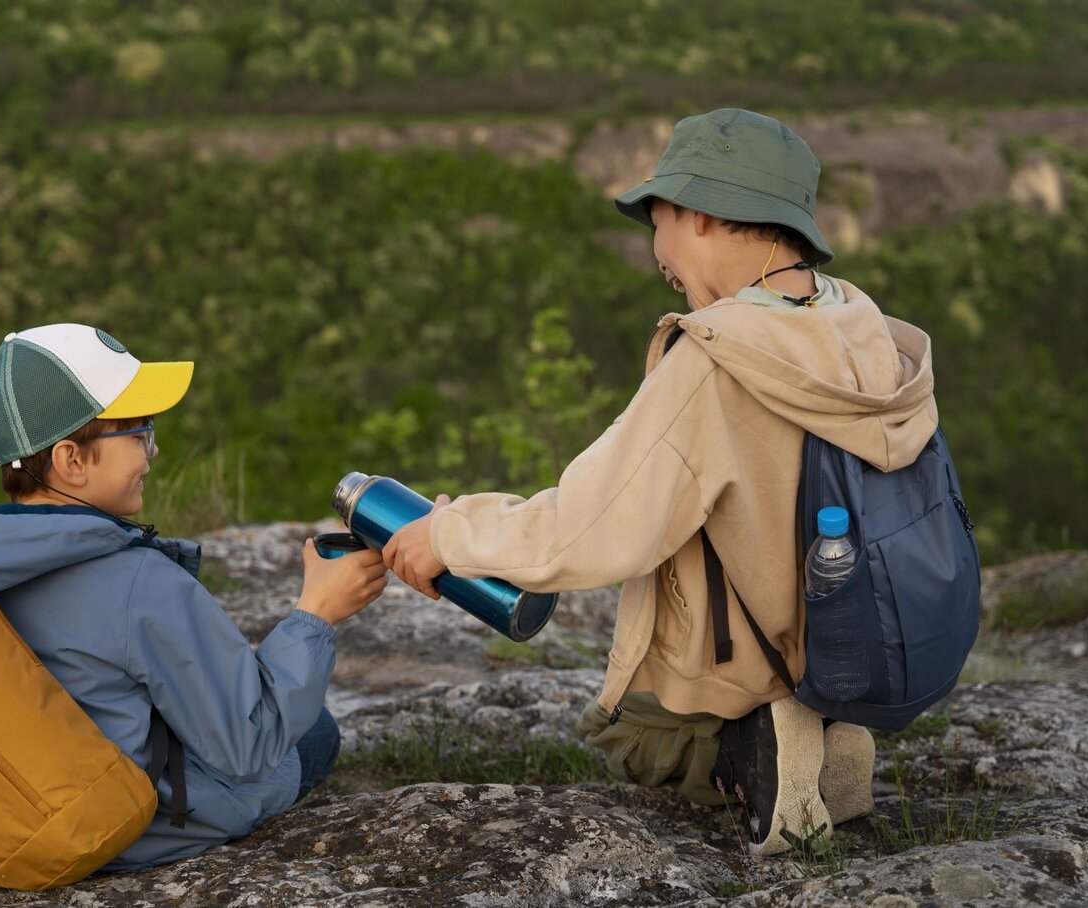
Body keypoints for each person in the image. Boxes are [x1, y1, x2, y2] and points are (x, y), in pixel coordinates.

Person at [382, 109, 937, 856]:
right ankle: (827, 734)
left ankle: (756, 751)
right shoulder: (862, 324)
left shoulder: (716, 360)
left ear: (700, 215)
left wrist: (448, 534)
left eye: (659, 220)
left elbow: (592, 523)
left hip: (758, 652)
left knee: (626, 737)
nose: (657, 252)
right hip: (852, 634)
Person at [0, 323, 388, 869]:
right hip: (119, 830)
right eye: (138, 432)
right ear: (72, 460)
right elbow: (248, 748)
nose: (153, 451)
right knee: (316, 730)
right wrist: (316, 613)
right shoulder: (140, 582)